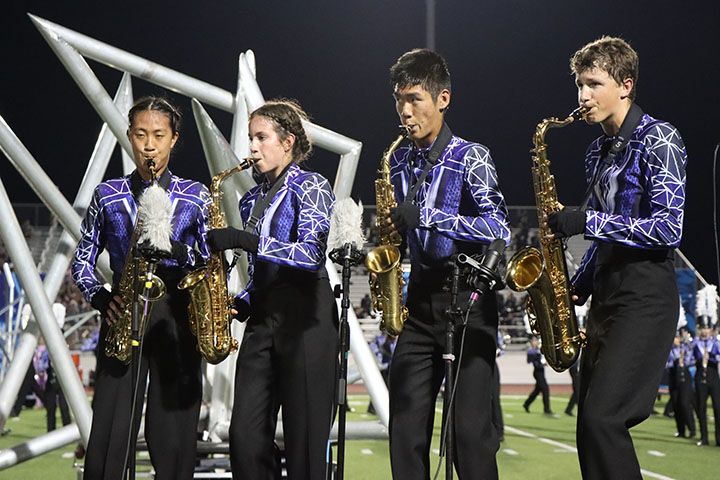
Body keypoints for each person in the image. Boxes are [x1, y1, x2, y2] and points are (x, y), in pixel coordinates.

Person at [545, 36, 687, 479]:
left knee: (604, 419)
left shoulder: (659, 138)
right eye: (579, 85)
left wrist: (586, 222)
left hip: (645, 295)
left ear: (626, 85)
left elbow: (668, 229)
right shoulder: (596, 152)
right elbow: (606, 238)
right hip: (606, 296)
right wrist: (570, 287)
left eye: (594, 84)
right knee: (588, 427)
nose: (582, 96)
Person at [382, 48, 511, 479]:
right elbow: (404, 227)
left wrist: (428, 216)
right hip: (418, 303)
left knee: (469, 437)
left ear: (443, 99)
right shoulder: (398, 160)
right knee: (404, 429)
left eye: (414, 98)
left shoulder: (470, 155)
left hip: (467, 299)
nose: (405, 110)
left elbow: (498, 226)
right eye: (399, 99)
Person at [71, 96, 210, 480]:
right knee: (108, 438)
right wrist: (101, 297)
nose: (149, 145)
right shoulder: (107, 194)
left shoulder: (197, 195)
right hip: (121, 314)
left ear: (174, 139)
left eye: (159, 136)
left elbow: (210, 263)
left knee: (173, 439)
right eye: (140, 135)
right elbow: (81, 261)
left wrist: (177, 250)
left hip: (178, 321)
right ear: (129, 138)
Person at [207, 99, 338, 480]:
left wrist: (244, 240)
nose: (252, 147)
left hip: (308, 319)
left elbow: (311, 252)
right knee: (244, 438)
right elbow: (263, 269)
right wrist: (243, 301)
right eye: (251, 138)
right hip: (264, 320)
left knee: (305, 445)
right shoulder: (250, 198)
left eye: (261, 137)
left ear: (287, 141)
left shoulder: (313, 185)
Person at [691, 320, 720, 446]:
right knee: (701, 407)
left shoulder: (715, 342)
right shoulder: (695, 343)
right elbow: (689, 358)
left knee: (717, 408)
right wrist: (699, 358)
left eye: (707, 328)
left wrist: (712, 356)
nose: (705, 331)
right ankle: (704, 438)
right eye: (703, 328)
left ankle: (718, 438)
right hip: (700, 374)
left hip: (713, 375)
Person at [667, 331, 696, 439]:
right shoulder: (669, 350)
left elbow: (691, 360)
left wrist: (683, 361)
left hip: (684, 377)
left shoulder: (685, 348)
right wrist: (675, 362)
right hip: (674, 377)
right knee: (676, 405)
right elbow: (666, 364)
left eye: (677, 338)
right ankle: (681, 431)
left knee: (684, 403)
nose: (675, 340)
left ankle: (692, 429)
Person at [523, 336, 553, 415]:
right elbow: (530, 358)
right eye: (534, 341)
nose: (535, 342)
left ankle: (526, 403)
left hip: (541, 370)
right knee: (545, 389)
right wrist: (538, 352)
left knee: (537, 390)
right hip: (537, 371)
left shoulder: (538, 348)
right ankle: (547, 409)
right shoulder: (532, 350)